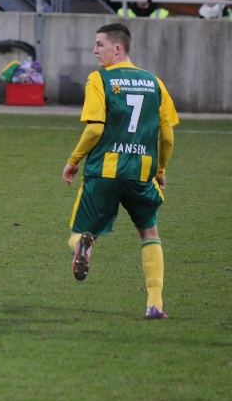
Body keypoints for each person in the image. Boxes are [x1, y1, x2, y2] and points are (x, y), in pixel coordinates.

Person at [62, 23, 179, 320]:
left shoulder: (100, 79)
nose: (94, 50)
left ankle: (82, 246)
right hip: (141, 174)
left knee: (81, 233)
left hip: (104, 172)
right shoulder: (155, 83)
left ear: (118, 48)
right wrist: (160, 169)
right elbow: (167, 137)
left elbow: (94, 130)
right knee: (149, 232)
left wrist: (74, 160)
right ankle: (155, 304)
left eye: (99, 44)